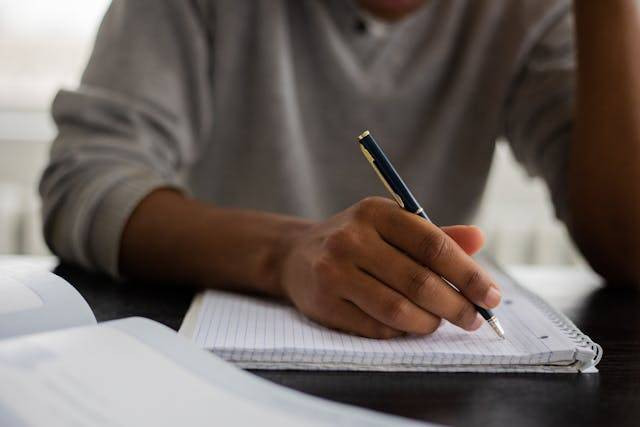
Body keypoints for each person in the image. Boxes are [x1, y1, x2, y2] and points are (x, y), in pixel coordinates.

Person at [40, 0, 640, 339]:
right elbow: (82, 185)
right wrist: (283, 253)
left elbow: (627, 243)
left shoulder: (532, 12)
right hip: (211, 374)